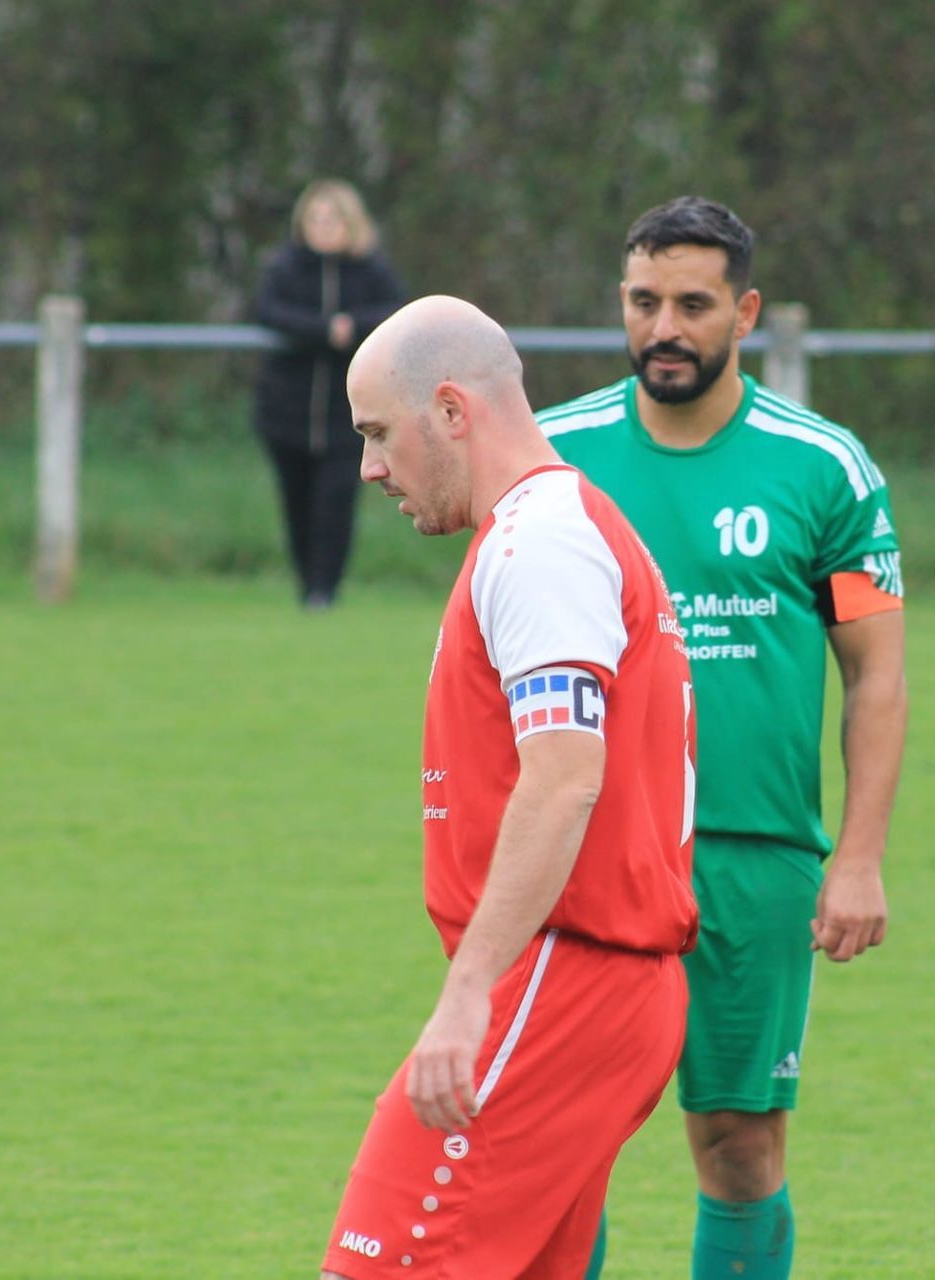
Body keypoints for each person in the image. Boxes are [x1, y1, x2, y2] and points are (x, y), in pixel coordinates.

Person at [539, 196, 907, 1280]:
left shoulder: (822, 467)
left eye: (693, 305)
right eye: (645, 302)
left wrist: (860, 854)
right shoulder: (555, 460)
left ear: (743, 312)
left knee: (738, 1144)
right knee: (569, 1148)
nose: (666, 328)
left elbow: (875, 673)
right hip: (591, 849)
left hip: (754, 856)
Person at [320, 295, 698, 1279]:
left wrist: (469, 987)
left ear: (451, 410)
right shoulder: (555, 530)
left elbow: (566, 778)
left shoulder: (541, 544)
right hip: (588, 981)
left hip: (563, 976)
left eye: (376, 432)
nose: (368, 467)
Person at [253, 179, 407, 609]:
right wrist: (323, 331)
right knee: (297, 502)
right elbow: (269, 311)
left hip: (348, 418)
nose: (323, 227)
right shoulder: (285, 267)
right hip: (287, 411)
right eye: (315, 219)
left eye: (332, 218)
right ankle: (306, 585)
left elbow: (396, 311)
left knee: (335, 503)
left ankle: (326, 590)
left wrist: (351, 327)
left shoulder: (372, 271)